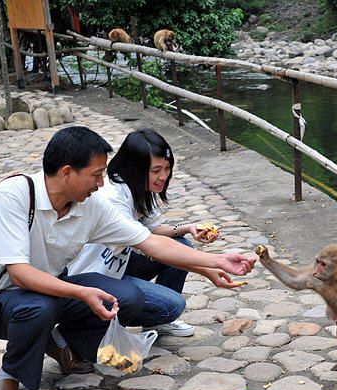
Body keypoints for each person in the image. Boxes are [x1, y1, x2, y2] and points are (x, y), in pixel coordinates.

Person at [0, 126, 255, 390]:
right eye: (95, 175)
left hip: (56, 290)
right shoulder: (14, 195)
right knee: (39, 306)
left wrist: (216, 261)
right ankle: (10, 374)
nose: (100, 183)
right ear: (68, 172)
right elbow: (19, 273)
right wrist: (82, 292)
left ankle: (65, 343)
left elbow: (151, 242)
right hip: (4, 302)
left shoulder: (90, 206)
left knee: (127, 296)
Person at [68, 128, 236, 337]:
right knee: (172, 305)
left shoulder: (136, 187)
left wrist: (187, 228)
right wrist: (211, 265)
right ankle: (87, 327)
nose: (163, 176)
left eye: (167, 168)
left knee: (182, 243)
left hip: (119, 260)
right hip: (95, 274)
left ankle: (155, 320)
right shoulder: (113, 199)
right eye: (156, 170)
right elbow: (151, 246)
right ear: (135, 167)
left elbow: (150, 229)